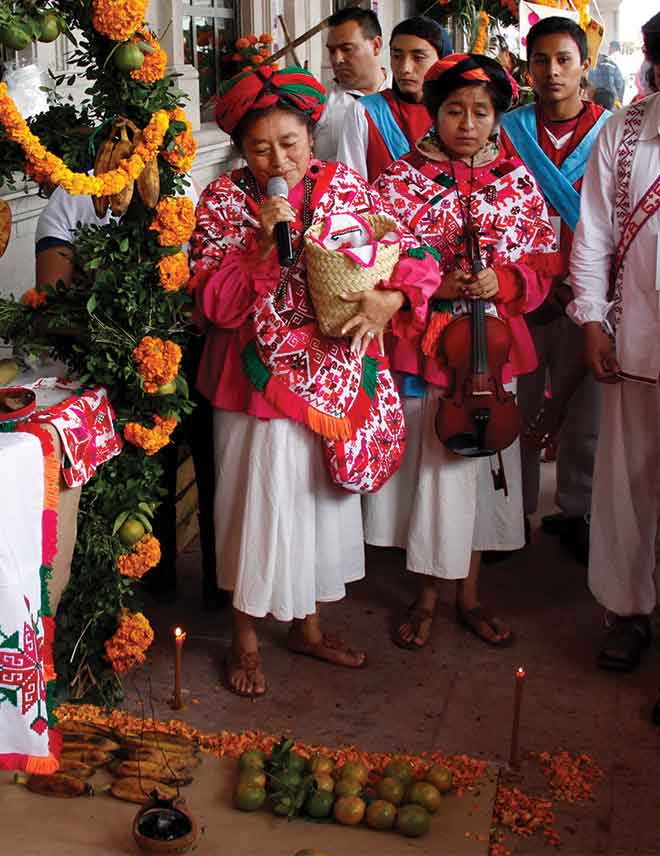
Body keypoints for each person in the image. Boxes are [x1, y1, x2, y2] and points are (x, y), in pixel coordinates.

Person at [192, 66, 439, 696]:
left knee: (315, 503)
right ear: (240, 151)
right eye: (260, 147)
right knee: (256, 504)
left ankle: (308, 625)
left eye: (291, 143)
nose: (279, 158)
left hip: (334, 375)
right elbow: (215, 305)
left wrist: (392, 299)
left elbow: (410, 254)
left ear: (312, 134)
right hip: (254, 382)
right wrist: (259, 246)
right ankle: (245, 639)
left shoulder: (346, 188)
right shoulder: (223, 202)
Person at [364, 54, 558, 650]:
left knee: (476, 469)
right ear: (435, 111)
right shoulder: (398, 181)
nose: (467, 123)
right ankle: (425, 594)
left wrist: (508, 281)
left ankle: (468, 595)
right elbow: (372, 258)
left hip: (490, 351)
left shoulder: (518, 180)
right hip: (426, 346)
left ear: (497, 116)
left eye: (480, 112)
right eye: (454, 110)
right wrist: (434, 285)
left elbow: (545, 256)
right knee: (431, 467)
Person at [34, 177, 222, 608]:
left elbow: (199, 277)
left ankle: (220, 588)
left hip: (187, 352)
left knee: (210, 465)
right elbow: (52, 302)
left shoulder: (179, 188)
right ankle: (156, 588)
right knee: (146, 477)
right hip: (113, 358)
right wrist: (119, 313)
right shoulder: (71, 200)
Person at [567, 12, 660, 692]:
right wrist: (593, 321)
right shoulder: (623, 132)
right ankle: (627, 613)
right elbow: (594, 233)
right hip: (634, 340)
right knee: (628, 485)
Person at [500, 16, 610, 564]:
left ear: (584, 64)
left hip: (587, 294)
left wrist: (583, 286)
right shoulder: (507, 129)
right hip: (520, 293)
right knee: (514, 407)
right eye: (540, 60)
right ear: (528, 67)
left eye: (564, 59)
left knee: (586, 410)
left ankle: (576, 510)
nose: (552, 72)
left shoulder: (611, 132)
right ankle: (511, 514)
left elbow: (616, 217)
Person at [338, 17, 447, 182]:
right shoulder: (364, 113)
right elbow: (349, 189)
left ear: (443, 60)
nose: (405, 68)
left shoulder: (458, 115)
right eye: (397, 56)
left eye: (418, 58)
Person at [315, 7, 390, 162]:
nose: (337, 59)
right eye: (332, 51)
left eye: (346, 49)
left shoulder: (405, 95)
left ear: (376, 45)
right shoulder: (318, 103)